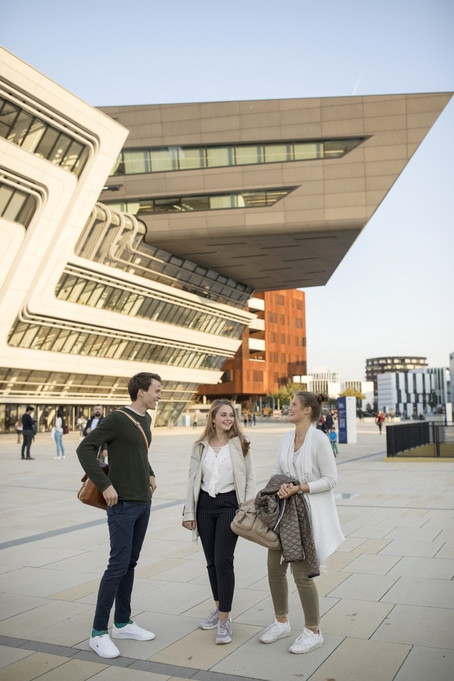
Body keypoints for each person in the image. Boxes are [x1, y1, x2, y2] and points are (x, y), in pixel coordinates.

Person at [77, 372, 162, 659]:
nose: (159, 396)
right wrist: (106, 485)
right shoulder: (115, 419)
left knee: (131, 563)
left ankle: (123, 622)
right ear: (141, 392)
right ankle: (98, 633)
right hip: (122, 504)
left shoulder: (146, 420)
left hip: (143, 501)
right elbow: (85, 448)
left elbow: (139, 453)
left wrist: (149, 474)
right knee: (117, 566)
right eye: (156, 391)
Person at [259, 391, 344, 654]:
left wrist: (299, 488)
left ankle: (313, 630)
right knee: (274, 568)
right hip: (283, 514)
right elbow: (276, 471)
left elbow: (331, 479)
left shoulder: (319, 439)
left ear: (308, 410)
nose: (289, 407)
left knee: (302, 574)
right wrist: (282, 486)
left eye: (293, 404)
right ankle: (281, 621)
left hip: (306, 517)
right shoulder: (286, 438)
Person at [182, 399, 256, 645]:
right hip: (204, 506)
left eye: (231, 415)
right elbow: (192, 481)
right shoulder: (200, 446)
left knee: (224, 561)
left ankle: (225, 619)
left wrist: (246, 508)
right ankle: (218, 607)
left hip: (228, 507)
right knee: (211, 562)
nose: (228, 419)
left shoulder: (241, 445)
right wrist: (189, 513)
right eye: (223, 415)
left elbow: (251, 479)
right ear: (212, 418)